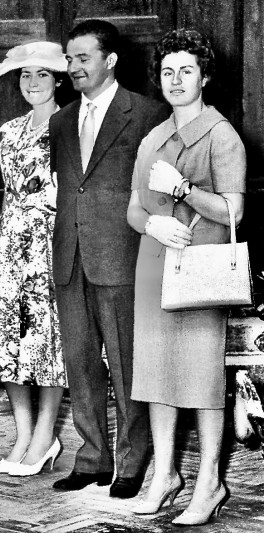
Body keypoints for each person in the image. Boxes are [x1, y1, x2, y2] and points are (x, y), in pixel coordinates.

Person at [126, 29, 245, 526]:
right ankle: (165, 475)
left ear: (205, 77)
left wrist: (183, 189)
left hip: (200, 273)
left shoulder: (221, 135)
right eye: (167, 71)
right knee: (156, 375)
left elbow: (233, 211)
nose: (175, 80)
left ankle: (210, 482)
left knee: (200, 379)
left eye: (186, 71)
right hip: (154, 267)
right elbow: (134, 208)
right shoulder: (152, 138)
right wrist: (150, 223)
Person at [48, 20, 169, 498]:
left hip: (122, 256)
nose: (73, 67)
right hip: (69, 257)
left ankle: (132, 462)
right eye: (69, 59)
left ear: (110, 60)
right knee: (80, 364)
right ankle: (92, 458)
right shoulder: (61, 120)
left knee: (126, 364)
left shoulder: (147, 114)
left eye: (83, 58)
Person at [0, 41, 68, 477]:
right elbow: (10, 192)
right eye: (25, 75)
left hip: (49, 242)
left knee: (45, 340)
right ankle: (23, 434)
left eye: (42, 74)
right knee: (7, 339)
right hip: (9, 244)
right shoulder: (7, 131)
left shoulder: (71, 125)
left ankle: (46, 435)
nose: (32, 82)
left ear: (58, 80)